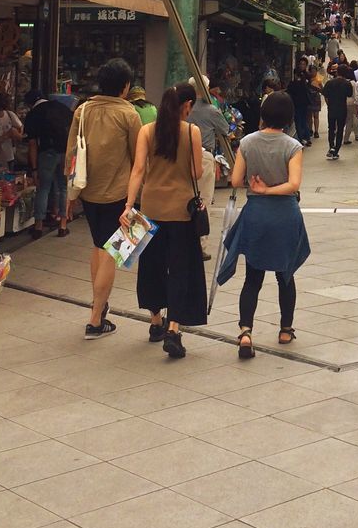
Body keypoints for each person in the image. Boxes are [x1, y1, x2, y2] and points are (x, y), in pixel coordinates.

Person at [218, 89, 310, 357]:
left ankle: (246, 332)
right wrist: (270, 190)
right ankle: (285, 329)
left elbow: (235, 181)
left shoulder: (246, 143)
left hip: (256, 215)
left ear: (263, 114)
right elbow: (294, 184)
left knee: (252, 278)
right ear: (289, 117)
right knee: (286, 275)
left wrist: (256, 188)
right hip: (285, 215)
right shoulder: (293, 146)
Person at [121, 81, 208, 356]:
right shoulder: (192, 131)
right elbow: (196, 173)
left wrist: (128, 206)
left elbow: (137, 170)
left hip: (151, 209)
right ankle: (174, 328)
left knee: (151, 266)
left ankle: (155, 320)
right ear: (186, 106)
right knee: (181, 269)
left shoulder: (147, 131)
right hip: (181, 211)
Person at [66, 58, 142, 340]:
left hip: (88, 190)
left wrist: (69, 194)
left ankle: (99, 306)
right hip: (118, 194)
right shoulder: (129, 114)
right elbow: (138, 159)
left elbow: (71, 154)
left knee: (99, 246)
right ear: (125, 87)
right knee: (112, 252)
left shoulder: (82, 110)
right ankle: (96, 317)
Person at [187, 76, 229, 261]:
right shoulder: (211, 110)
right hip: (204, 156)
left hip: (182, 156)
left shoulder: (184, 108)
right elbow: (225, 129)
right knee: (203, 201)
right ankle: (200, 245)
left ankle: (184, 241)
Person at [24, 92, 71, 238]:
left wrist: (34, 168)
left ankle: (38, 226)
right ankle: (63, 225)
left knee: (43, 188)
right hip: (65, 153)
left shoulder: (33, 114)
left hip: (47, 153)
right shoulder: (63, 108)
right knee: (64, 188)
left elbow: (32, 144)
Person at [322, 66, 354, 160]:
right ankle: (336, 150)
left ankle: (331, 147)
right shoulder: (347, 83)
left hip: (332, 108)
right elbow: (349, 94)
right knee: (340, 129)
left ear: (337, 72)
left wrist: (328, 104)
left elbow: (325, 94)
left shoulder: (330, 82)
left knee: (331, 128)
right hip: (342, 109)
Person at [286, 69, 312, 146]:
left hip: (297, 105)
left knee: (298, 122)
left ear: (295, 75)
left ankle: (301, 139)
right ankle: (307, 138)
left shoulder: (293, 84)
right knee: (304, 121)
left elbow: (289, 92)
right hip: (304, 104)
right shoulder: (304, 82)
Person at [307, 69, 323, 139]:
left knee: (316, 115)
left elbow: (322, 90)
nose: (313, 72)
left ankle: (316, 131)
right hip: (309, 98)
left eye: (314, 71)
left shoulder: (318, 78)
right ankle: (310, 130)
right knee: (309, 116)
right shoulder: (307, 79)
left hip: (316, 98)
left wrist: (318, 86)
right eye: (312, 71)